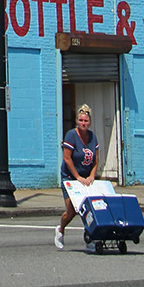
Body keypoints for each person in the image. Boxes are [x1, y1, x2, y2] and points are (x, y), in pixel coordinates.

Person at [54, 103, 99, 250]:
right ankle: (60, 229)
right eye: (80, 120)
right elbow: (67, 158)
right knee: (72, 210)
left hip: (86, 179)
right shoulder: (71, 135)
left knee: (90, 209)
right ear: (76, 121)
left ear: (89, 122)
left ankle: (90, 238)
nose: (83, 123)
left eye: (85, 121)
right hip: (70, 177)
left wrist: (92, 176)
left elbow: (96, 161)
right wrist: (77, 176)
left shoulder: (92, 137)